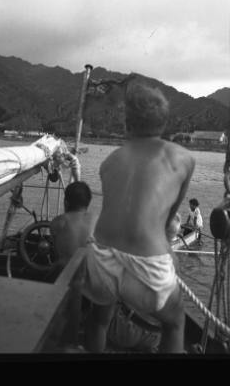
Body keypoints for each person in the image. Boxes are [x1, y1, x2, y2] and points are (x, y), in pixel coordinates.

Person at [82, 82, 195, 353]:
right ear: (164, 123)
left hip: (102, 258)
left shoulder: (109, 161)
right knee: (176, 321)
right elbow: (167, 221)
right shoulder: (183, 158)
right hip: (149, 264)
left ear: (127, 124)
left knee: (99, 321)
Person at [50, 181, 93, 267]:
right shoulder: (97, 220)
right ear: (88, 202)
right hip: (92, 273)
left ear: (66, 202)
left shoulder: (58, 222)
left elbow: (56, 252)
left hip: (65, 273)